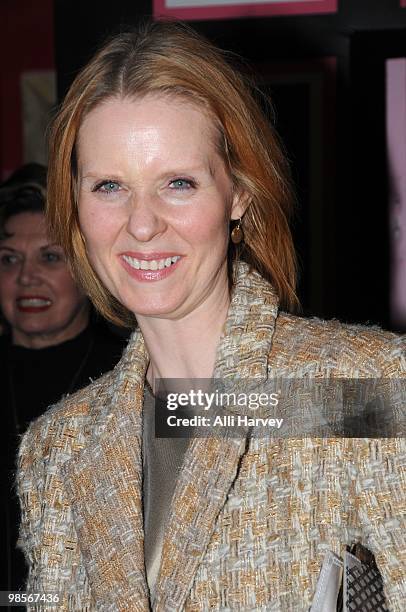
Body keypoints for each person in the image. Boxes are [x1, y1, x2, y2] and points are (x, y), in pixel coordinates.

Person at [16, 22, 404, 611]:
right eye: (109, 186)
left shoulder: (359, 392)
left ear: (238, 193)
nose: (141, 224)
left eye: (178, 183)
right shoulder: (58, 450)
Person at [0, 164, 127, 592]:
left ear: (86, 269)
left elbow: (292, 414)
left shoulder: (134, 372)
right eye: (8, 260)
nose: (26, 277)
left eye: (50, 257)